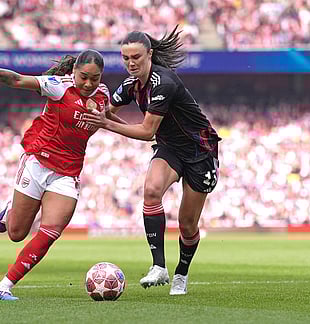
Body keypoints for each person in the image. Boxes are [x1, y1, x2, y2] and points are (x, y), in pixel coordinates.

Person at [0, 49, 110, 300]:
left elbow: (107, 119)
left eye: (94, 78)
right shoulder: (58, 87)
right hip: (38, 162)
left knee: (51, 231)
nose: (88, 83)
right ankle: (10, 211)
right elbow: (17, 80)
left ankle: (3, 286)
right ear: (74, 72)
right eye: (83, 77)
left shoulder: (102, 96)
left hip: (67, 173)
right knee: (16, 233)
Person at [83, 26, 221, 295]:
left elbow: (146, 132)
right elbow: (107, 112)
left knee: (188, 224)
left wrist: (105, 123)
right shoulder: (129, 86)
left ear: (150, 54)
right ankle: (159, 266)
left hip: (199, 151)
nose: (131, 63)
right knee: (151, 190)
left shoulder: (163, 83)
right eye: (126, 58)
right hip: (169, 148)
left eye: (136, 57)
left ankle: (181, 272)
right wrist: (94, 110)